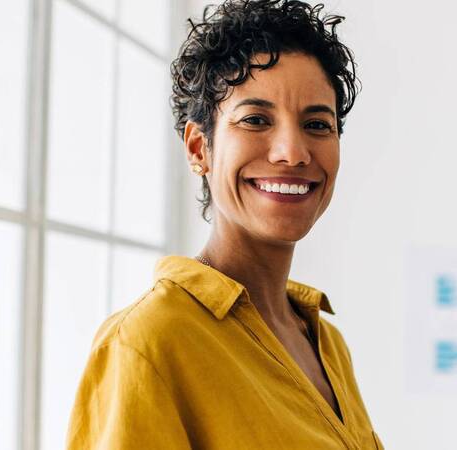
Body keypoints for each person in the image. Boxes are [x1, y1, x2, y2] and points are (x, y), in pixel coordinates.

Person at [66, 1, 383, 448]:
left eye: (317, 124)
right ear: (199, 148)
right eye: (255, 120)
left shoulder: (325, 342)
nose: (292, 152)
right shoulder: (149, 340)